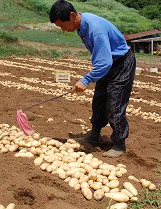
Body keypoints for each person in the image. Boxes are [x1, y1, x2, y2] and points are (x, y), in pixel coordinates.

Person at [50, 0, 136, 157]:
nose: (63, 30)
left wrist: (86, 79)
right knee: (99, 100)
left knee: (114, 104)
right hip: (109, 64)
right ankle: (95, 134)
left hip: (121, 63)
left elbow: (105, 62)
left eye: (63, 25)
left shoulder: (94, 29)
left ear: (72, 15)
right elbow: (103, 60)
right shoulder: (81, 25)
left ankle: (120, 143)